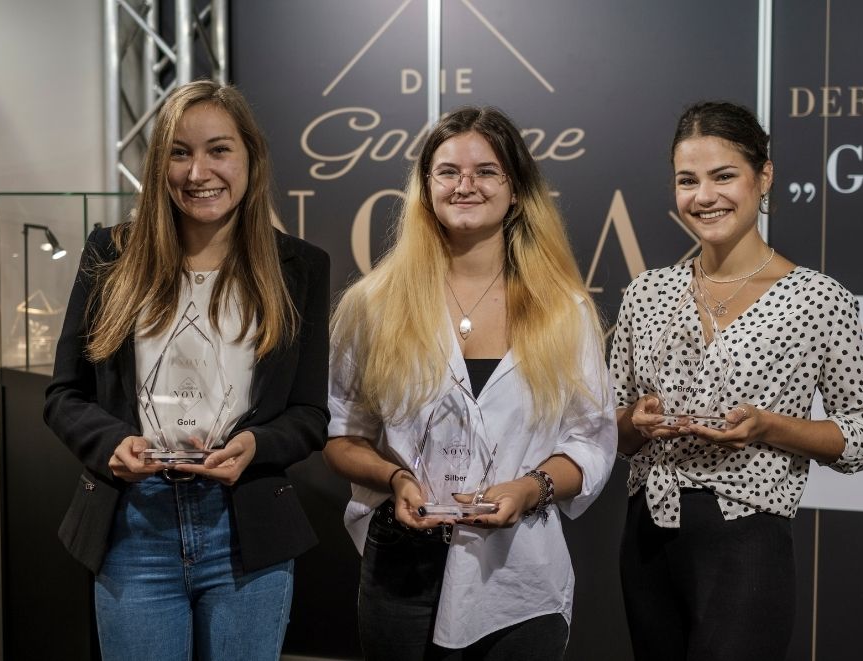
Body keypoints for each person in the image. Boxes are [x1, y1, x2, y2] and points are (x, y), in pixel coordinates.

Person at [44, 80, 330, 660]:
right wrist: (114, 443)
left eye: (219, 149)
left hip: (245, 531)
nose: (198, 171)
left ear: (250, 158)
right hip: (133, 529)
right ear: (158, 166)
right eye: (179, 152)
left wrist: (255, 443)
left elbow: (309, 415)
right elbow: (63, 395)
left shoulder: (299, 267)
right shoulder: (110, 256)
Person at [323, 105, 617, 660]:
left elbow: (590, 440)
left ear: (515, 189)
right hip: (401, 567)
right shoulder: (373, 305)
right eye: (448, 172)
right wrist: (395, 478)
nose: (466, 186)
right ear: (425, 187)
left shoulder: (564, 310)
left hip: (519, 576)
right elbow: (342, 437)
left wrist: (528, 489)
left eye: (486, 171)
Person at [611, 100, 863, 661]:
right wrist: (635, 424)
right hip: (647, 536)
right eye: (687, 181)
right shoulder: (647, 292)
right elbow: (608, 432)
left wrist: (770, 428)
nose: (704, 196)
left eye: (724, 176)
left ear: (764, 176)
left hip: (747, 541)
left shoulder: (818, 298)